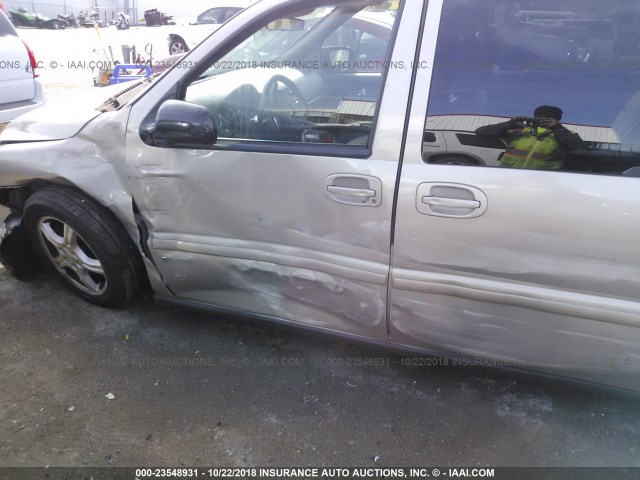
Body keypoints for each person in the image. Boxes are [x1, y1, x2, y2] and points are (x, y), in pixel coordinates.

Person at [474, 105, 584, 170]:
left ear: (556, 119)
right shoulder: (519, 129)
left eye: (548, 117)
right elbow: (480, 132)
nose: (542, 119)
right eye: (539, 116)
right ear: (534, 116)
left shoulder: (565, 133)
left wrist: (558, 129)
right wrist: (510, 124)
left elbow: (579, 149)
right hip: (508, 176)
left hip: (541, 181)